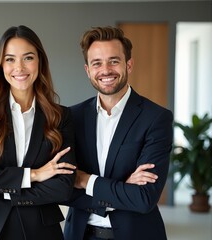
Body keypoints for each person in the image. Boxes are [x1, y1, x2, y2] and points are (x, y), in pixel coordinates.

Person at [0, 25, 77, 240]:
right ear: (0, 64)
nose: (19, 67)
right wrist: (35, 175)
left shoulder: (61, 116)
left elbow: (62, 188)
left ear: (40, 62)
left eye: (28, 58)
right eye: (10, 59)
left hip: (41, 230)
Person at [63, 26, 173, 240]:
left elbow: (144, 198)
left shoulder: (156, 118)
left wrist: (86, 181)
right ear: (88, 70)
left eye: (114, 61)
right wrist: (123, 189)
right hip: (79, 234)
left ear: (128, 64)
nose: (106, 70)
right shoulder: (71, 117)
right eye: (97, 63)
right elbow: (63, 189)